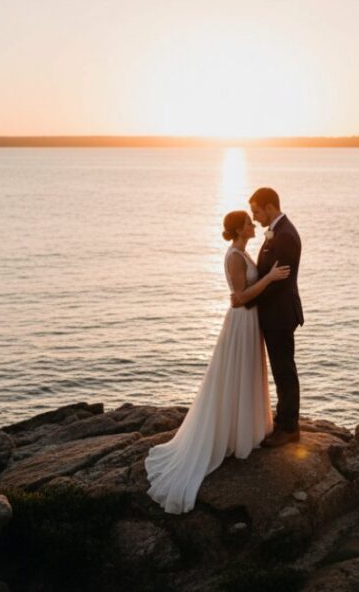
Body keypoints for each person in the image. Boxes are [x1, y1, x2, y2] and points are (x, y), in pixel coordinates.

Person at [144, 210, 290, 514]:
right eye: (249, 222)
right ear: (240, 228)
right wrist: (271, 279)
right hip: (240, 323)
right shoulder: (235, 257)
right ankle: (232, 432)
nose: (253, 225)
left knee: (245, 375)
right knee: (235, 375)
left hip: (249, 323)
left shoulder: (243, 253)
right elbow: (239, 297)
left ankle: (242, 429)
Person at [232, 187, 303, 448]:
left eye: (256, 211)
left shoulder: (285, 236)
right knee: (280, 368)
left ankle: (289, 428)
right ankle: (284, 417)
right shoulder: (278, 232)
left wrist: (247, 298)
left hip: (281, 313)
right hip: (274, 312)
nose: (255, 217)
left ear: (270, 207)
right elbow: (267, 275)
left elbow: (278, 282)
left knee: (284, 370)